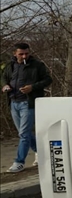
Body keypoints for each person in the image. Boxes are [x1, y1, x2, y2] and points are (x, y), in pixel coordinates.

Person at [3, 42, 52, 173]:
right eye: (21, 54)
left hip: (28, 103)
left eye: (26, 53)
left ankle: (19, 162)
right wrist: (5, 86)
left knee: (23, 134)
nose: (24, 56)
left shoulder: (37, 66)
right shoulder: (10, 66)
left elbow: (47, 80)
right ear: (15, 54)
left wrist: (32, 87)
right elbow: (4, 78)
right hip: (14, 102)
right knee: (23, 133)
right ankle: (40, 153)